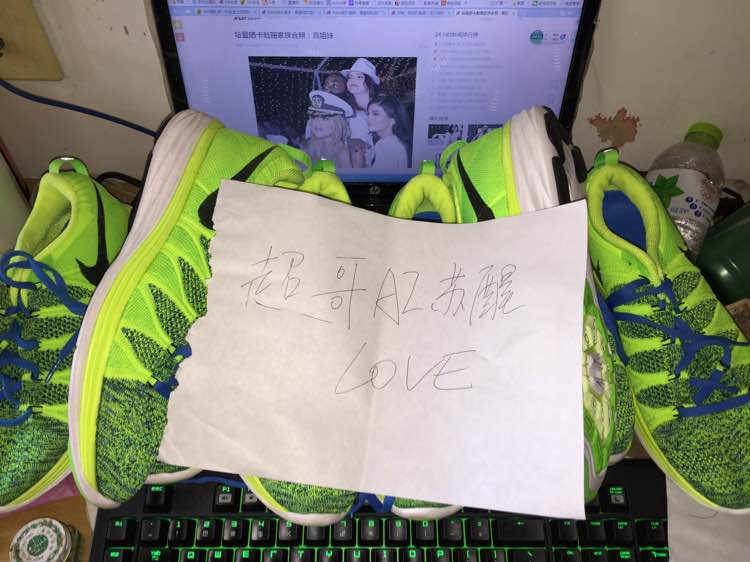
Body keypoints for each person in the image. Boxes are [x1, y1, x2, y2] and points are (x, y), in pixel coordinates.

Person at [301, 90, 354, 169]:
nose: (317, 123)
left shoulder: (351, 152)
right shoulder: (305, 148)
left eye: (325, 118)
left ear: (338, 122)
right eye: (314, 117)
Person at [342, 58, 380, 150]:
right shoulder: (345, 111)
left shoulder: (381, 109)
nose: (353, 80)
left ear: (369, 82)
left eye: (359, 77)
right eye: (350, 77)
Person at [367, 94, 411, 170]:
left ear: (392, 120)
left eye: (375, 114)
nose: (368, 118)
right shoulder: (395, 142)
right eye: (368, 114)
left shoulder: (385, 144)